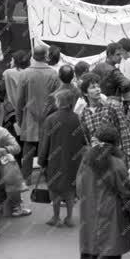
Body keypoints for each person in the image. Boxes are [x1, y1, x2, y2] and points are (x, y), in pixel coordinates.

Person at [77, 124, 130, 259]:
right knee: (110, 257)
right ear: (115, 144)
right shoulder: (117, 164)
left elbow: (79, 188)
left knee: (95, 257)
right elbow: (127, 193)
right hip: (112, 219)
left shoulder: (85, 162)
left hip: (89, 217)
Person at [38, 89, 86, 227]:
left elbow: (45, 142)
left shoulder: (51, 119)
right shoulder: (77, 118)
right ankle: (70, 217)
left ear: (59, 102)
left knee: (55, 189)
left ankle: (56, 217)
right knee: (70, 189)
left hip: (55, 159)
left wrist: (42, 160)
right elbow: (83, 140)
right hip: (73, 159)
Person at [15, 45, 59, 181]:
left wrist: (19, 119)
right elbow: (56, 99)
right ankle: (47, 176)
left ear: (33, 56)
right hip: (48, 117)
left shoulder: (24, 74)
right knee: (46, 148)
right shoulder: (53, 74)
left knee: (28, 149)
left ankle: (26, 177)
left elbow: (19, 101)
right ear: (46, 56)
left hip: (29, 118)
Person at [79, 73, 130, 165]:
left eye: (98, 86)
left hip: (116, 159)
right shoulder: (83, 115)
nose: (98, 89)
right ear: (85, 93)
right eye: (93, 87)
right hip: (98, 163)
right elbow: (87, 142)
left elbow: (124, 133)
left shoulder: (112, 107)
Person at [91, 42, 130, 108]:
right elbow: (127, 84)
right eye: (118, 54)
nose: (120, 57)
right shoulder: (114, 71)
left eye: (121, 54)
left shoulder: (98, 66)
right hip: (111, 104)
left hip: (99, 103)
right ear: (110, 54)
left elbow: (86, 80)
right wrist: (119, 92)